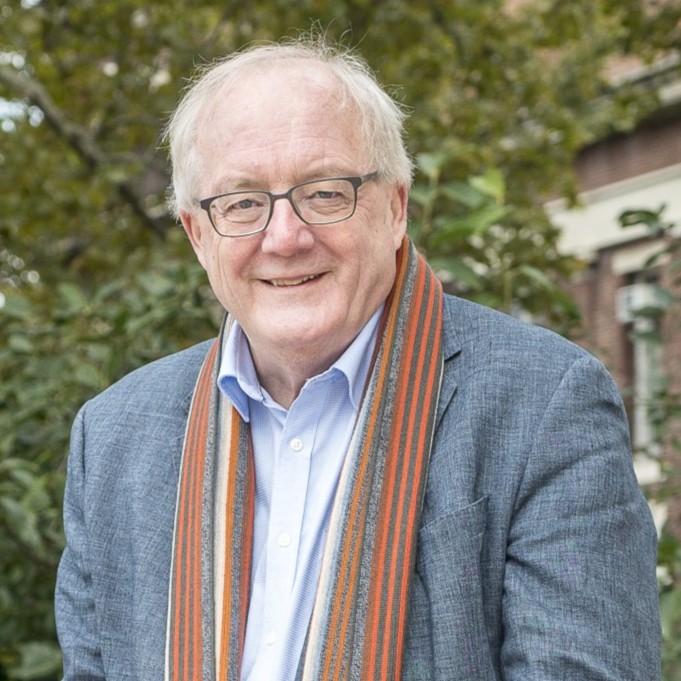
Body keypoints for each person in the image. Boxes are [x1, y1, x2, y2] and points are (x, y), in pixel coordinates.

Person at [55, 37, 661, 681]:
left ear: (395, 207)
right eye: (242, 203)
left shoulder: (545, 404)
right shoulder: (114, 436)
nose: (284, 238)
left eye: (324, 192)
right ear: (197, 234)